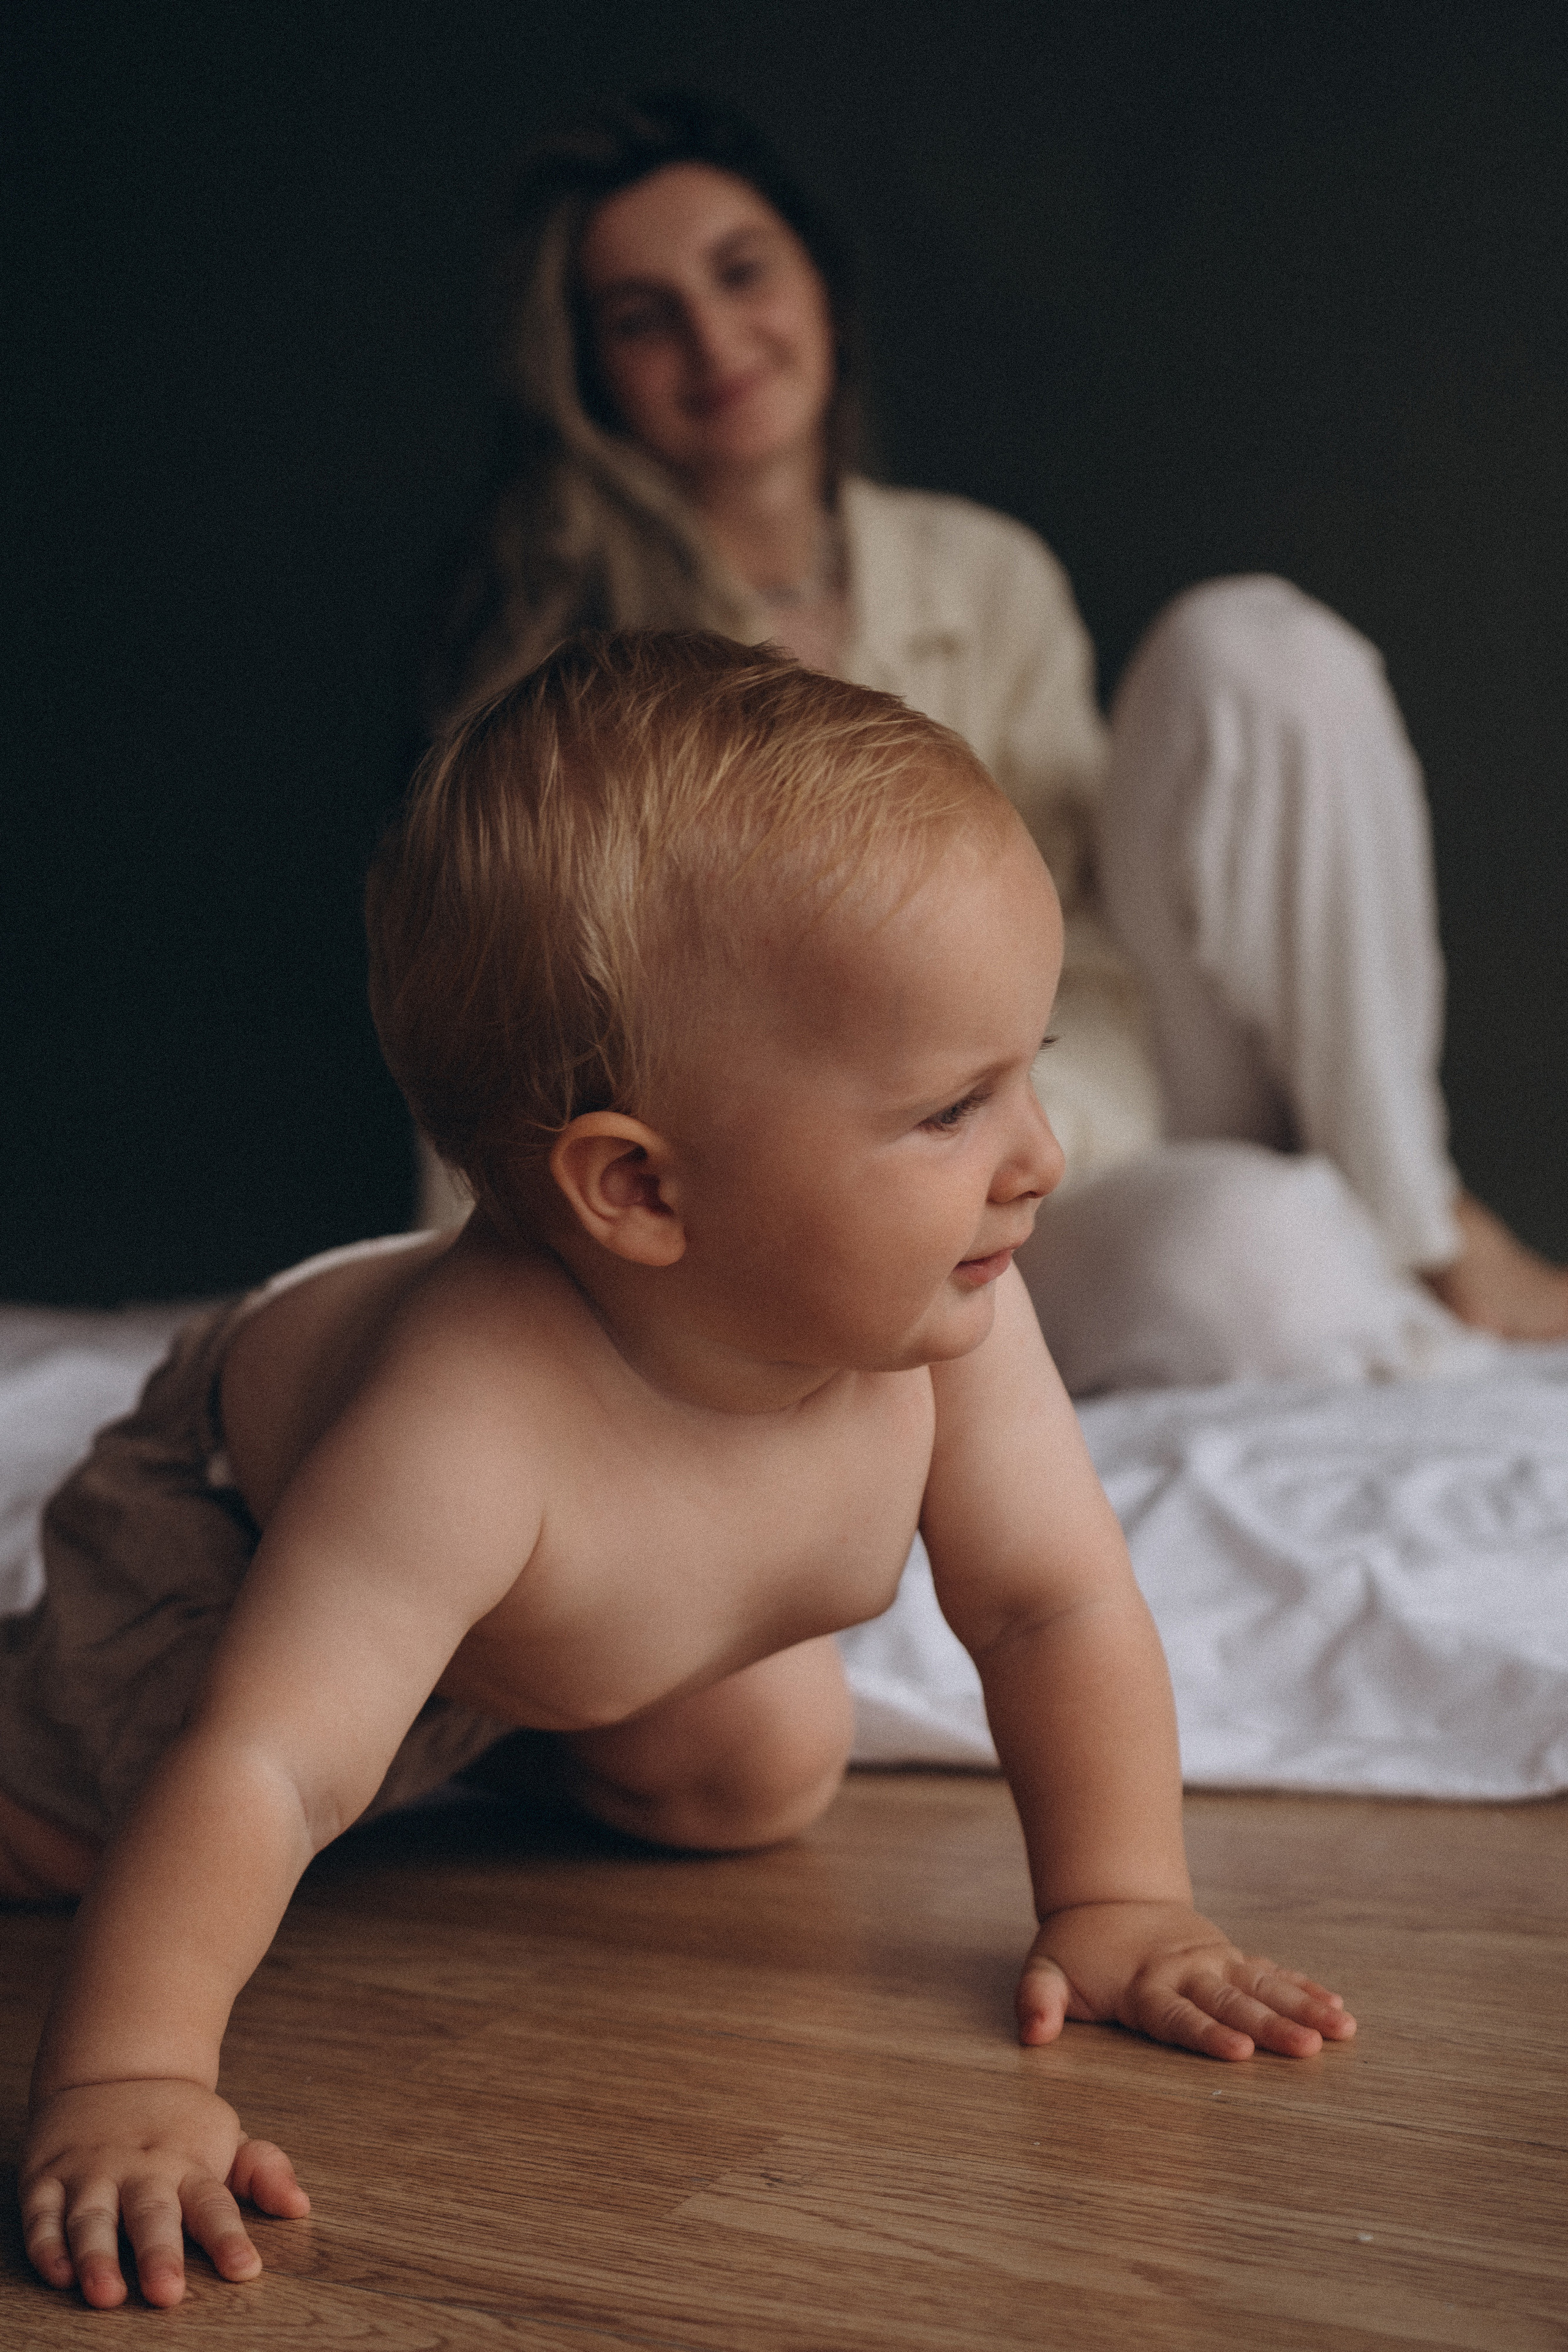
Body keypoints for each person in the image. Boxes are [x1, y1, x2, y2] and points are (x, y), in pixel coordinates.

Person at [10, 636, 1354, 2311]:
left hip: (551, 1626)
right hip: (225, 1527)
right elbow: (270, 1763)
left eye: (1033, 1064)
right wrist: (125, 2082)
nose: (1042, 1157)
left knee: (763, 1765)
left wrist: (1123, 1899)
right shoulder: (463, 1426)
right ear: (640, 1193)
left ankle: (462, 1732)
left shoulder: (952, 1323)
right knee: (111, 1832)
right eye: (951, 1109)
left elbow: (1049, 1600)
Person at [418, 88, 1568, 1369]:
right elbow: (494, 1021)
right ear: (588, 375)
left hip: (1089, 1101)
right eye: (642, 318)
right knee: (1253, 1264)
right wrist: (476, 1299)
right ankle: (1314, 1267)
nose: (712, 338)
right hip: (823, 1207)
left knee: (1254, 649)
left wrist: (1031, 1126)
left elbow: (1086, 951)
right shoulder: (573, 668)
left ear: (822, 294)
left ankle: (1419, 1225)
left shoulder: (983, 574)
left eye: (741, 274)